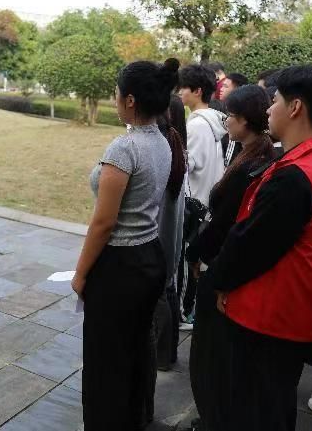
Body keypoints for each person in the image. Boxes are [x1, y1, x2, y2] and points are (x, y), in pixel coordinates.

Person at [206, 65, 312, 431]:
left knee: (255, 411)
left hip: (269, 319)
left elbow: (251, 245)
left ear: (295, 107)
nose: (268, 108)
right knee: (272, 405)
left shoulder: (295, 177)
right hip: (289, 316)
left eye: (275, 100)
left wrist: (218, 280)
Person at [72, 58, 179, 430]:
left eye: (117, 94)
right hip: (149, 257)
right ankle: (135, 416)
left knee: (106, 359)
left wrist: (80, 274)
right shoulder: (162, 141)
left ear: (130, 100)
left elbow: (104, 222)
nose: (114, 99)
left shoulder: (124, 148)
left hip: (120, 266)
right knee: (135, 348)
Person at [185, 85, 275, 431]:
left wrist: (196, 252)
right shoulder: (252, 151)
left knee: (211, 355)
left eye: (231, 117)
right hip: (221, 259)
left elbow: (224, 221)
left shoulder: (252, 163)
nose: (227, 123)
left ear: (245, 121)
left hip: (220, 265)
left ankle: (214, 419)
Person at [143, 95, 188, 425]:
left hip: (154, 245)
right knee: (166, 294)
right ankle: (166, 355)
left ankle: (161, 355)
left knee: (156, 305)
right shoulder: (174, 144)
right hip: (168, 242)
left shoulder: (159, 149)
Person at [177, 64, 226, 330]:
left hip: (194, 203)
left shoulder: (196, 124)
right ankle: (189, 309)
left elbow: (189, 164)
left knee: (187, 260)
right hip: (207, 202)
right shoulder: (215, 121)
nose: (179, 92)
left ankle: (184, 312)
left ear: (197, 91)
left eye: (183, 87)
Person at [220, 72, 249, 167]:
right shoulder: (221, 107)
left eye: (225, 86)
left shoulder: (238, 112)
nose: (221, 89)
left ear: (237, 90)